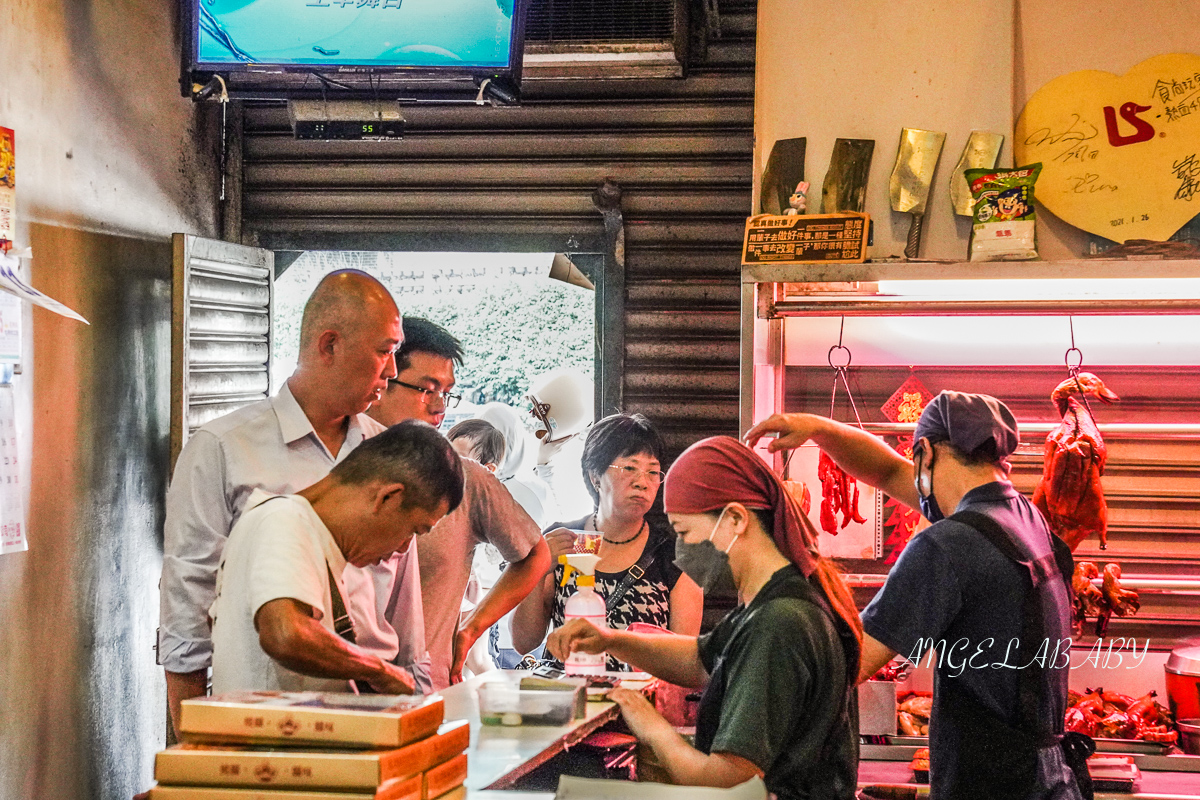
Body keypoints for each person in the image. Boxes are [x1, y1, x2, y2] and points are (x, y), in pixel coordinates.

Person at [746, 392, 1085, 800]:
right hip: (1049, 780)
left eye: (915, 456)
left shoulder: (947, 545)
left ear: (925, 451)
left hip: (994, 785)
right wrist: (821, 429)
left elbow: (844, 665)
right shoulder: (1024, 517)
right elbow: (888, 471)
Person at [159, 270, 427, 739]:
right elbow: (187, 604)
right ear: (329, 345)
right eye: (384, 351)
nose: (391, 371)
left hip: (374, 708)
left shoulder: (386, 453)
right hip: (265, 711)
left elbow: (403, 608)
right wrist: (191, 742)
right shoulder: (224, 447)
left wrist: (416, 703)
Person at [546, 436, 862, 797]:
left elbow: (726, 779)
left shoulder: (779, 622)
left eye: (684, 531)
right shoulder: (771, 603)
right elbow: (700, 659)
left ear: (733, 520)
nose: (680, 550)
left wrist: (651, 727)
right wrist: (610, 640)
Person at [210, 421, 464, 694]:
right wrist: (378, 669)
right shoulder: (284, 521)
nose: (403, 548)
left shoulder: (311, 535)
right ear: (388, 497)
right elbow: (286, 634)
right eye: (414, 530)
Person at [366, 317, 549, 689]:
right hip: (336, 701)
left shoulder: (466, 480)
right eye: (426, 390)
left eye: (446, 393)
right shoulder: (333, 470)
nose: (439, 408)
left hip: (430, 695)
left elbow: (535, 555)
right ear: (381, 380)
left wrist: (471, 627)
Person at [513, 413, 703, 670]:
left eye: (653, 472)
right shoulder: (563, 541)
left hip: (637, 704)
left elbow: (683, 661)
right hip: (569, 702)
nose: (642, 483)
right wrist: (537, 570)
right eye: (630, 468)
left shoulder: (675, 557)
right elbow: (524, 641)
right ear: (595, 476)